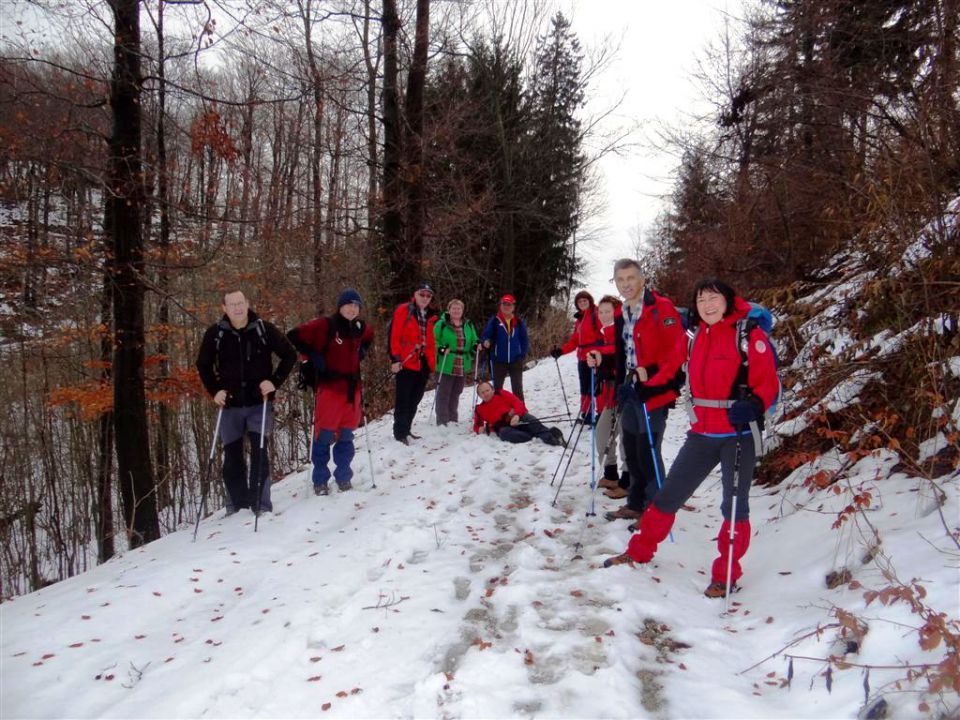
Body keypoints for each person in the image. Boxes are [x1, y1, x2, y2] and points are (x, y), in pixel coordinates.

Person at [603, 278, 779, 598]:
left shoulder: (749, 337)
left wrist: (754, 404)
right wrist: (642, 388)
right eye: (700, 300)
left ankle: (725, 573)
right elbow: (669, 369)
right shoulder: (694, 338)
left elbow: (769, 383)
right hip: (701, 434)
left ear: (727, 300)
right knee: (669, 495)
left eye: (713, 298)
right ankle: (639, 551)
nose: (707, 305)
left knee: (734, 505)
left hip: (738, 434)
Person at [196, 290, 297, 515]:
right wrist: (215, 391)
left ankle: (260, 505)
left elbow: (290, 355)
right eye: (232, 304)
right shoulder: (215, 334)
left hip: (258, 403)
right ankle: (237, 506)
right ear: (224, 308)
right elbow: (203, 364)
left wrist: (274, 382)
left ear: (247, 303)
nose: (237, 308)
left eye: (240, 303)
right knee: (232, 456)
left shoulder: (264, 329)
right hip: (229, 406)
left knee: (259, 454)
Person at [602, 259, 687, 523]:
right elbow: (621, 353)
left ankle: (656, 511)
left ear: (642, 279)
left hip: (655, 392)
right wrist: (617, 382)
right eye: (620, 280)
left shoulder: (660, 308)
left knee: (649, 450)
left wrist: (650, 373)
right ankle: (635, 503)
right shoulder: (621, 314)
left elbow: (678, 350)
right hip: (630, 389)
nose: (626, 284)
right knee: (632, 448)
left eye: (630, 278)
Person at [287, 289, 374, 496]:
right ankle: (320, 480)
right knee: (324, 436)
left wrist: (363, 350)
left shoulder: (359, 327)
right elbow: (294, 335)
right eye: (348, 305)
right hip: (329, 391)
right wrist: (313, 354)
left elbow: (370, 335)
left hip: (352, 392)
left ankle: (343, 477)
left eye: (356, 306)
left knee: (346, 436)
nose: (353, 309)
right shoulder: (325, 325)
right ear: (340, 306)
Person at [587, 295, 629, 495]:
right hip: (610, 395)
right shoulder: (603, 334)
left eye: (608, 311)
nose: (604, 315)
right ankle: (611, 474)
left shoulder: (622, 330)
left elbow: (620, 353)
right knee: (602, 432)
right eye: (600, 312)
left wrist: (600, 355)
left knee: (626, 437)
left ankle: (627, 481)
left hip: (625, 393)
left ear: (617, 311)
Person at [389, 282, 438, 444]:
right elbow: (394, 335)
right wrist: (395, 359)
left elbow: (431, 341)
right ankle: (400, 432)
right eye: (422, 294)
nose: (425, 298)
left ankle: (407, 429)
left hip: (423, 362)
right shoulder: (405, 310)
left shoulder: (431, 315)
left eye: (428, 295)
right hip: (407, 361)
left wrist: (432, 363)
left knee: (415, 398)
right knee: (403, 398)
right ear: (415, 294)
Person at [551, 291, 602, 422]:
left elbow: (604, 335)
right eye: (580, 302)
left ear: (590, 301)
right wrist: (561, 351)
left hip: (594, 357)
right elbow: (574, 341)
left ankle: (601, 414)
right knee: (585, 387)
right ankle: (586, 413)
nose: (582, 303)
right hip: (582, 358)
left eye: (585, 300)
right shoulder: (579, 320)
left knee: (596, 387)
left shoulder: (596, 314)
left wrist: (600, 352)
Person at [433, 299, 480, 425]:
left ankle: (453, 418)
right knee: (444, 392)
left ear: (462, 310)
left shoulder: (468, 324)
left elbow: (474, 339)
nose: (456, 311)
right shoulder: (441, 324)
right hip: (446, 361)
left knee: (456, 391)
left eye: (459, 308)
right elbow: (433, 341)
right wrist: (442, 349)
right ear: (449, 310)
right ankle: (442, 420)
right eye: (453, 308)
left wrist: (476, 346)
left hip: (462, 362)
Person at [472, 382, 563, 446]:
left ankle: (551, 439)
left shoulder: (501, 393)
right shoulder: (479, 409)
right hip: (504, 428)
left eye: (487, 390)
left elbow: (518, 403)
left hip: (516, 418)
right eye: (482, 393)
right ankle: (535, 435)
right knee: (505, 434)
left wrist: (517, 415)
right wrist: (479, 429)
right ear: (480, 396)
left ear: (492, 389)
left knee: (530, 419)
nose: (485, 394)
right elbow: (476, 425)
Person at [481, 294, 529, 401]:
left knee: (517, 388)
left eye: (509, 304)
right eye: (504, 304)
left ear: (513, 307)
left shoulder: (519, 322)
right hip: (498, 360)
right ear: (500, 305)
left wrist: (522, 355)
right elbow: (486, 335)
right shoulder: (494, 321)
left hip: (516, 360)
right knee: (497, 389)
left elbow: (524, 340)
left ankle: (521, 412)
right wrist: (486, 341)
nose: (506, 307)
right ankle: (498, 411)